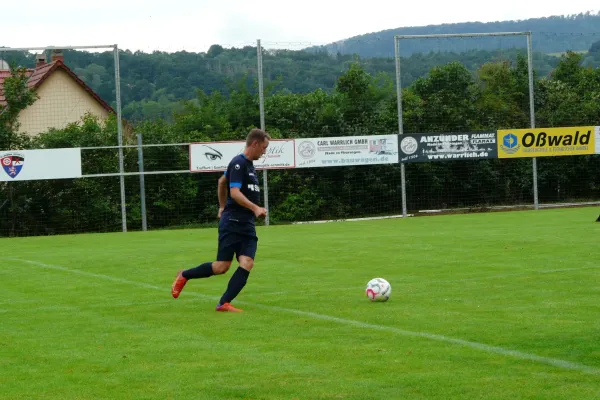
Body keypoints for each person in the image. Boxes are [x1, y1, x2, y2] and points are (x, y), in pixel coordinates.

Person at [171, 128, 270, 312]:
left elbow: (221, 182)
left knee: (247, 263)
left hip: (247, 225)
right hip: (232, 223)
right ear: (255, 144)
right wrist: (254, 208)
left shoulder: (249, 166)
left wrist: (222, 206)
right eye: (263, 148)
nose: (264, 152)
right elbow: (234, 191)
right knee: (221, 267)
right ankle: (184, 275)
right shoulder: (238, 163)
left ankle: (223, 303)